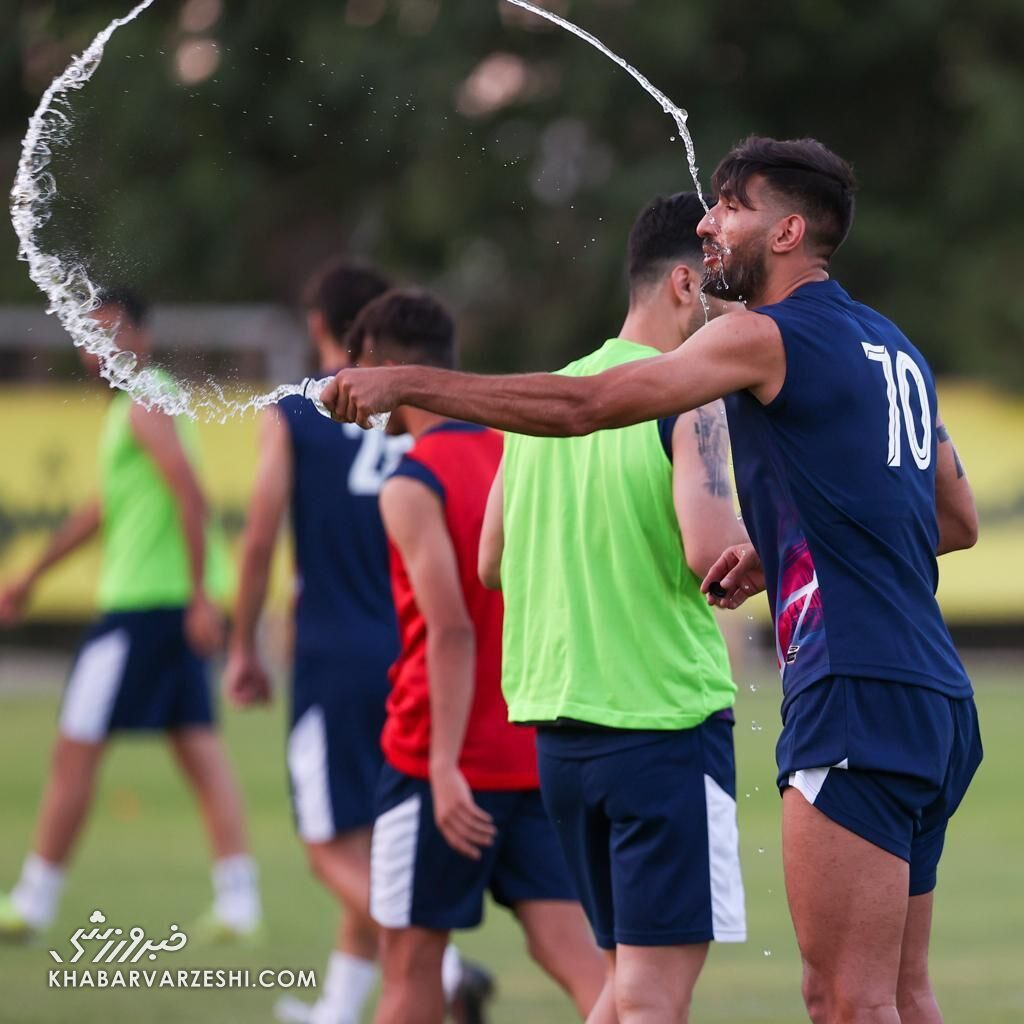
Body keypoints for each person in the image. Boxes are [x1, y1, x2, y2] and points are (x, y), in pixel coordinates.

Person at [319, 137, 983, 1024]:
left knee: (843, 1002)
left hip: (852, 693)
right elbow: (953, 520)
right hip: (934, 697)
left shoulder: (760, 335)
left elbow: (590, 406)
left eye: (732, 207)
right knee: (904, 993)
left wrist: (410, 384)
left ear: (787, 231)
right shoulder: (894, 346)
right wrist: (792, 549)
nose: (709, 224)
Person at [475, 191, 748, 1024]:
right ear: (681, 283)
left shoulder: (547, 402)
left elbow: (491, 564)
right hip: (662, 727)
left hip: (563, 741)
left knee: (626, 993)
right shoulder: (688, 400)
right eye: (717, 292)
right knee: (655, 999)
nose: (724, 316)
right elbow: (714, 555)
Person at [225, 261, 491, 1024]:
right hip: (413, 652)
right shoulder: (422, 408)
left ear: (325, 331)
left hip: (333, 655)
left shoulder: (298, 411)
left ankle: (444, 977)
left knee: (326, 848)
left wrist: (243, 646)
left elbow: (258, 535)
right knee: (381, 846)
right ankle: (337, 1012)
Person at [351, 289, 607, 1024]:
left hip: (439, 764)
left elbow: (451, 630)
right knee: (580, 960)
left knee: (409, 967)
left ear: (384, 366)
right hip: (535, 748)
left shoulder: (412, 479)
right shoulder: (520, 452)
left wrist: (441, 765)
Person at [0, 288, 261, 943]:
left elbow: (191, 493)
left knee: (73, 751)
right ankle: (240, 902)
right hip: (164, 606)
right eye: (89, 335)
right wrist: (31, 575)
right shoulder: (141, 403)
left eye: (111, 332)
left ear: (142, 337)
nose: (96, 348)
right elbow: (100, 510)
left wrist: (201, 594)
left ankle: (32, 900)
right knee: (199, 750)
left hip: (143, 609)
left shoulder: (145, 399)